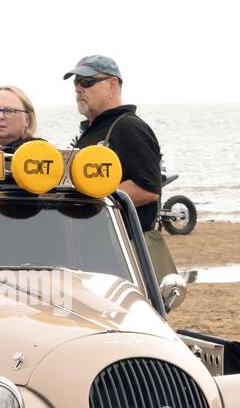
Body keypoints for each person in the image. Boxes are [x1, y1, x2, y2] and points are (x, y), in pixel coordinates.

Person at [64, 54, 174, 280]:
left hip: (125, 253)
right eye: (75, 82)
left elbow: (148, 189)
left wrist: (91, 198)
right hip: (98, 250)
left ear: (112, 85)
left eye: (86, 82)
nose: (78, 89)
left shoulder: (128, 127)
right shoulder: (93, 131)